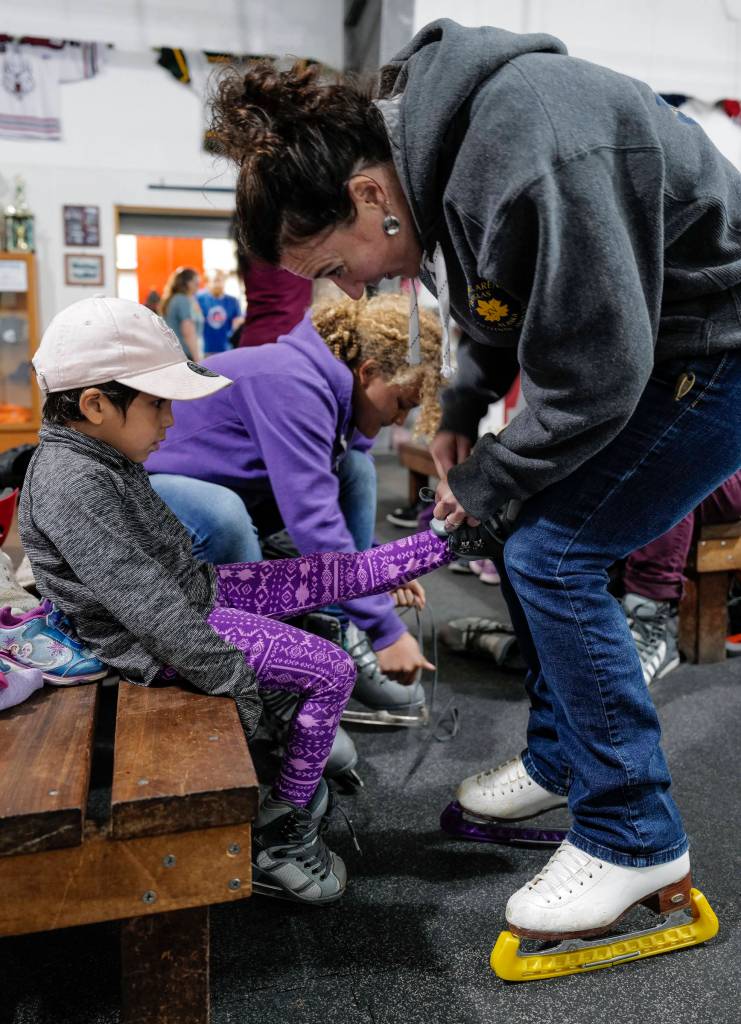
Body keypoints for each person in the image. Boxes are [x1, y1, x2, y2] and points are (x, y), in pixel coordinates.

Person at [208, 20, 741, 956]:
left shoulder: (528, 144)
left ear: (370, 196)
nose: (347, 289)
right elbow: (498, 296)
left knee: (553, 551)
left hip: (715, 350)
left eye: (334, 268)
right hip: (660, 346)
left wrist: (493, 475)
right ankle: (562, 754)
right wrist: (461, 403)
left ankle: (634, 835)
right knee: (523, 531)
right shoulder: (437, 157)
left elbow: (599, 372)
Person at [17, 295, 455, 905]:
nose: (170, 422)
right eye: (157, 405)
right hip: (150, 637)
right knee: (327, 669)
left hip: (192, 598)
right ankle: (278, 831)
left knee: (322, 575)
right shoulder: (73, 481)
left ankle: (447, 540)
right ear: (95, 405)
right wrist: (238, 687)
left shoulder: (100, 456)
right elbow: (147, 609)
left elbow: (174, 580)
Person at [146, 294, 444, 723]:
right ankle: (263, 677)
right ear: (370, 372)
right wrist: (385, 628)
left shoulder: (338, 394)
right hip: (157, 493)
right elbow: (312, 518)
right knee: (224, 514)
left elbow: (326, 501)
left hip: (240, 490)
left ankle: (333, 638)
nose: (400, 420)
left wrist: (378, 571)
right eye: (401, 403)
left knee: (357, 468)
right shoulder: (292, 383)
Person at [196, 269, 244, 354]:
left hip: (226, 349)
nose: (218, 284)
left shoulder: (233, 301)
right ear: (208, 282)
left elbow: (237, 325)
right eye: (215, 280)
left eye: (221, 280)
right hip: (205, 351)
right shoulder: (199, 299)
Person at [161, 266, 204, 360]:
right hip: (185, 355)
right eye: (196, 282)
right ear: (188, 283)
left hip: (176, 354)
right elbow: (188, 331)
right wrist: (198, 359)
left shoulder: (178, 298)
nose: (199, 285)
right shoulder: (182, 300)